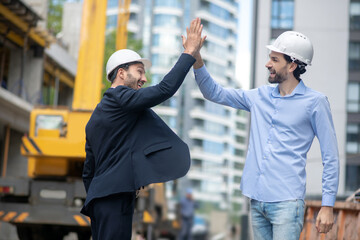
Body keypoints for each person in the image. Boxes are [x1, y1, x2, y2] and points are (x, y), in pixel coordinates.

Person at [192, 31, 339, 239]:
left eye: (274, 59)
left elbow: (331, 157)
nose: (267, 64)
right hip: (256, 200)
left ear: (292, 65)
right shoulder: (259, 96)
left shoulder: (316, 103)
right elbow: (214, 93)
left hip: (287, 204)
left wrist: (328, 205)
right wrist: (196, 57)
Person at [81, 18, 206, 240]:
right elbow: (164, 90)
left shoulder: (96, 116)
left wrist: (98, 198)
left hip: (99, 200)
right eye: (139, 71)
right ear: (121, 73)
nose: (143, 78)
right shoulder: (120, 98)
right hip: (115, 196)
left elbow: (88, 171)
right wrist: (188, 53)